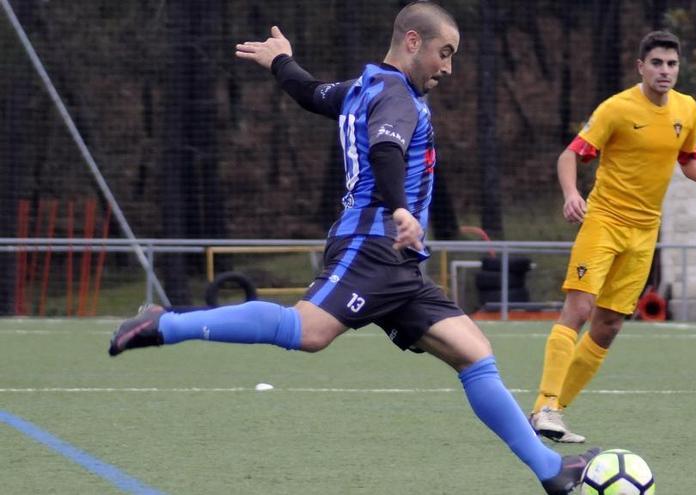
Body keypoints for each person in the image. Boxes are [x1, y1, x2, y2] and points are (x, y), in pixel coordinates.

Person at [108, 2, 597, 493]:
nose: (448, 67)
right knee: (307, 330)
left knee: (473, 352)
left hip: (398, 261)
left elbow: (310, 93)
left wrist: (281, 60)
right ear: (411, 41)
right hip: (373, 245)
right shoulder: (397, 97)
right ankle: (165, 324)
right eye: (443, 53)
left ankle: (551, 472)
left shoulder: (364, 87)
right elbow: (387, 151)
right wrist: (401, 208)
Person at [529, 31, 696, 443]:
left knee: (610, 325)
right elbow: (571, 154)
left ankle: (555, 412)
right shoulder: (616, 109)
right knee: (579, 309)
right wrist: (571, 194)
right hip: (603, 221)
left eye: (671, 64)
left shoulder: (687, 108)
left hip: (644, 231)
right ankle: (544, 403)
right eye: (656, 63)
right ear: (641, 66)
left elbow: (686, 156)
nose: (665, 71)